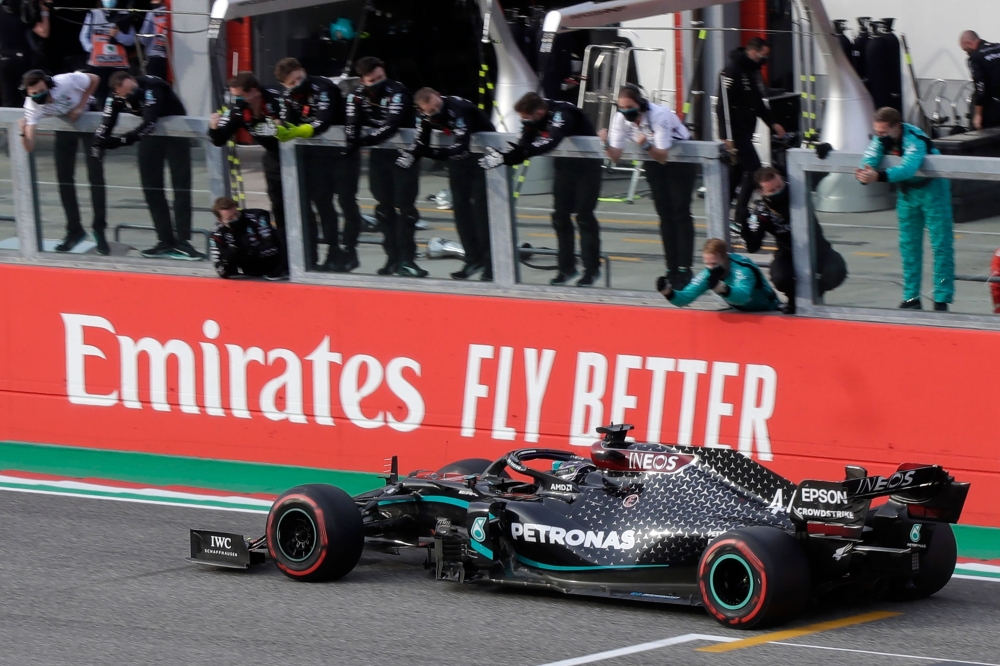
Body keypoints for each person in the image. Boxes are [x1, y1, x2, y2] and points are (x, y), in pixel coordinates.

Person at [480, 91, 602, 286]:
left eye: (527, 118)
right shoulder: (534, 119)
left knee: (584, 217)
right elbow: (524, 142)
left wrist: (524, 151)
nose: (525, 122)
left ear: (539, 112)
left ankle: (592, 269)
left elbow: (551, 141)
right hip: (565, 166)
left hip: (588, 167)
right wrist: (511, 155)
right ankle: (566, 268)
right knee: (560, 216)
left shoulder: (562, 113)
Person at [92, 71, 202, 260]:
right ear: (118, 93)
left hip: (175, 133)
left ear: (135, 80)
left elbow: (150, 122)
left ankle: (184, 242)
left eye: (133, 89)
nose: (132, 94)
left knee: (181, 187)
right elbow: (106, 122)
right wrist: (98, 143)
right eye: (127, 94)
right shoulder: (114, 98)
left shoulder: (153, 88)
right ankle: (165, 240)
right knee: (151, 188)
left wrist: (121, 141)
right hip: (150, 138)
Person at [856, 107, 954, 311]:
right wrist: (865, 173)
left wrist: (879, 177)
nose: (879, 137)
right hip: (907, 193)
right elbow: (870, 156)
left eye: (883, 132)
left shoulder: (915, 139)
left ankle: (942, 297)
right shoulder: (882, 138)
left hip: (933, 190)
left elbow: (908, 167)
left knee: (941, 246)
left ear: (896, 127)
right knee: (908, 246)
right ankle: (911, 297)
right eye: (877, 133)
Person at [599, 84, 695, 290]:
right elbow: (615, 156)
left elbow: (663, 156)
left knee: (680, 212)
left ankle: (685, 267)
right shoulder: (621, 118)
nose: (625, 111)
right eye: (621, 107)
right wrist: (605, 143)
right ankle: (672, 268)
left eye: (629, 107)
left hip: (680, 158)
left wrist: (645, 144)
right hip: (653, 159)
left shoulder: (659, 115)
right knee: (664, 215)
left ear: (640, 104)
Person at [274, 57, 360, 272]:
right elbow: (286, 121)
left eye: (299, 78)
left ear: (303, 71)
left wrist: (295, 131)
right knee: (322, 203)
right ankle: (332, 250)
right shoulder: (288, 96)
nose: (297, 84)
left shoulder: (323, 88)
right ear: (284, 85)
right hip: (316, 158)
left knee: (347, 202)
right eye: (291, 83)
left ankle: (350, 251)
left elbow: (323, 121)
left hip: (343, 153)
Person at [401, 88, 495, 281]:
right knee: (460, 208)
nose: (437, 110)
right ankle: (472, 258)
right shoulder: (424, 115)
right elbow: (421, 141)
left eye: (438, 106)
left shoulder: (457, 108)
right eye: (432, 110)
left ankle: (491, 263)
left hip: (482, 154)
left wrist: (433, 154)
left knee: (481, 210)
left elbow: (462, 144)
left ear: (439, 96)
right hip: (458, 158)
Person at [346, 56, 426, 277]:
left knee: (406, 208)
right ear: (363, 80)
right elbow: (351, 124)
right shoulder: (356, 95)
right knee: (383, 208)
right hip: (378, 156)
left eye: (381, 77)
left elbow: (392, 125)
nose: (379, 82)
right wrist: (355, 139)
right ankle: (392, 258)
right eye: (373, 79)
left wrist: (362, 141)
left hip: (404, 155)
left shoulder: (398, 91)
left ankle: (408, 260)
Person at [18, 69, 108, 254]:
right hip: (65, 123)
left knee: (95, 175)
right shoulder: (32, 106)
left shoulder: (64, 81)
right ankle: (74, 229)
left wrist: (81, 105)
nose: (39, 95)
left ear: (49, 85)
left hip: (88, 115)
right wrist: (22, 131)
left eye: (42, 90)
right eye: (33, 93)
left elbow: (94, 78)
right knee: (64, 176)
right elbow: (29, 145)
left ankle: (100, 230)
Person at [743, 167, 847, 313]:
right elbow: (753, 246)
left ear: (782, 178)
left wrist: (822, 153)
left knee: (837, 270)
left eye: (780, 186)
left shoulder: (798, 188)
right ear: (762, 192)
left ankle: (815, 291)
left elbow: (820, 170)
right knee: (780, 277)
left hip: (817, 246)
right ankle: (793, 298)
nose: (778, 191)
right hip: (788, 251)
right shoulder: (761, 211)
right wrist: (745, 228)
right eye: (772, 191)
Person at [208, 72, 288, 254]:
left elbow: (285, 129)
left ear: (254, 92)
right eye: (233, 96)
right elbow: (219, 139)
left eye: (239, 96)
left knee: (305, 207)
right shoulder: (238, 109)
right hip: (274, 157)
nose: (236, 100)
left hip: (297, 156)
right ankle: (285, 256)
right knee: (279, 206)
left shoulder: (276, 99)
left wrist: (275, 124)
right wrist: (213, 127)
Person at [718, 37, 786, 231]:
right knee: (755, 171)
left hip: (747, 130)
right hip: (736, 132)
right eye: (763, 55)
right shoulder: (731, 71)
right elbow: (722, 106)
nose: (765, 60)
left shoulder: (754, 72)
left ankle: (722, 214)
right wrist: (726, 135)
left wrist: (773, 124)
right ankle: (740, 216)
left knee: (736, 174)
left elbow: (758, 103)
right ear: (754, 52)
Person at [656, 238, 781, 312]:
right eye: (707, 264)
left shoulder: (743, 268)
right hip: (741, 313)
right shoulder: (708, 274)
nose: (710, 268)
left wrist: (722, 289)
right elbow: (685, 297)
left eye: (714, 263)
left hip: (769, 311)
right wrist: (668, 292)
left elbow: (743, 296)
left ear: (725, 258)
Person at [209, 197, 284, 279]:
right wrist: (230, 255)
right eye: (230, 219)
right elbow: (221, 270)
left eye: (236, 214)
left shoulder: (257, 217)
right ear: (220, 220)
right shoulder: (217, 234)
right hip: (249, 274)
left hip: (274, 266)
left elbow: (272, 246)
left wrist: (246, 250)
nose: (235, 219)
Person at [79, 0, 135, 106]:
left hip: (118, 66)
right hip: (97, 65)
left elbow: (131, 40)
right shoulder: (93, 13)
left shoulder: (125, 15)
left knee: (119, 97)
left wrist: (118, 35)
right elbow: (83, 36)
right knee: (99, 98)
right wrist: (92, 49)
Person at [0, 0, 50, 107]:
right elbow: (43, 32)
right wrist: (45, 12)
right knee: (26, 95)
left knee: (8, 97)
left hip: (3, 59)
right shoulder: (23, 12)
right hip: (21, 59)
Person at [959, 31, 1000, 130]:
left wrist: (978, 115)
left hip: (994, 104)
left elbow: (980, 88)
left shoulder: (975, 58)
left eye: (966, 50)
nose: (967, 53)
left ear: (969, 43)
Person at [139, 0, 169, 79]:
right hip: (172, 56)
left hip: (155, 56)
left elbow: (143, 37)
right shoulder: (172, 12)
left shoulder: (152, 13)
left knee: (154, 86)